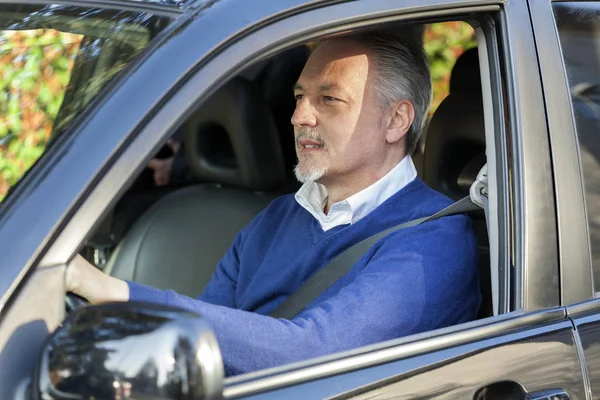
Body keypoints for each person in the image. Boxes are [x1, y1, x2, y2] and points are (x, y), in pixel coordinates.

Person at [67, 29, 481, 376]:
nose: (299, 115)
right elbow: (195, 345)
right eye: (300, 96)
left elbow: (312, 356)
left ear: (396, 120)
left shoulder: (435, 241)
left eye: (329, 99)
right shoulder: (276, 217)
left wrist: (111, 291)